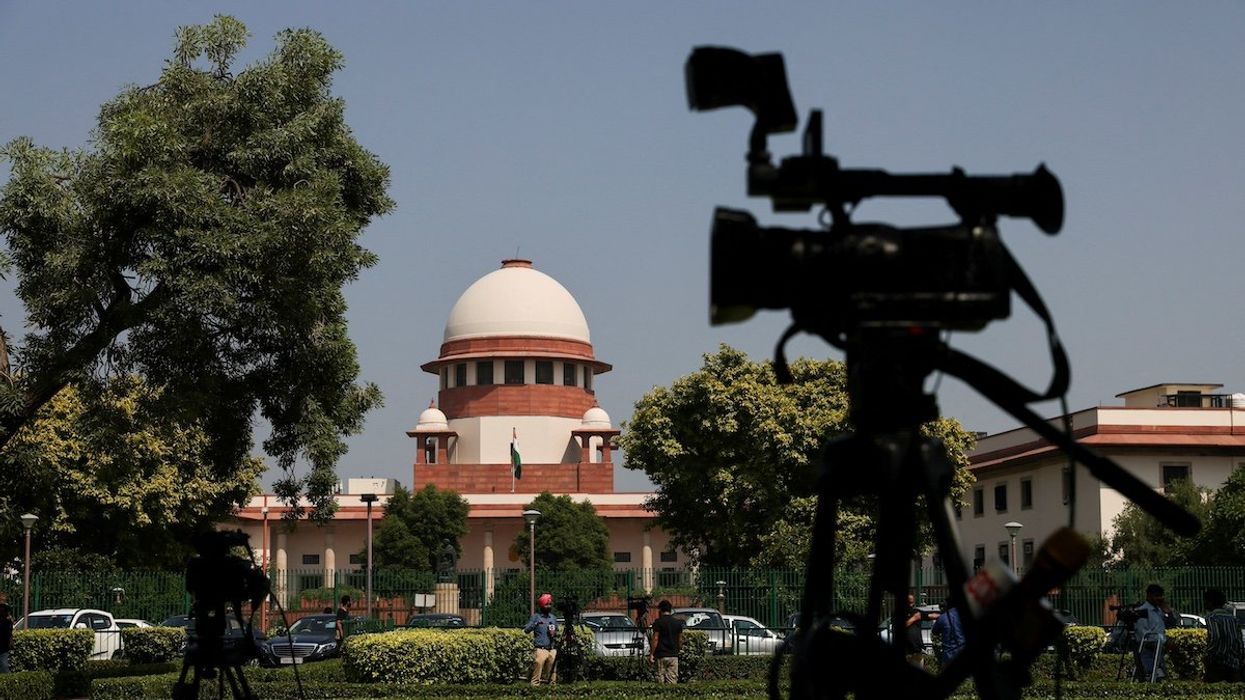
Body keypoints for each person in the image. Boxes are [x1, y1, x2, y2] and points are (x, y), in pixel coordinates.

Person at [1134, 583, 1179, 681]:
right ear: (1149, 596)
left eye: (1161, 596)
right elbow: (1143, 637)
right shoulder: (1142, 611)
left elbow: (1172, 625)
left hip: (1159, 651)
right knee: (1151, 677)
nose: (1159, 598)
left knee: (1161, 677)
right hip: (1148, 652)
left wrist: (1169, 613)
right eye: (1156, 596)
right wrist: (1163, 642)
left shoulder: (1159, 611)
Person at [1203, 588, 1243, 682]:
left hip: (1217, 663)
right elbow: (1239, 641)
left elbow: (1215, 638)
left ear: (1210, 602)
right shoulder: (1232, 619)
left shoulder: (1212, 617)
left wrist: (1207, 653)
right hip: (1233, 664)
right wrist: (1239, 658)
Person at [523, 593, 558, 686]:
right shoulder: (536, 617)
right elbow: (526, 630)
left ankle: (552, 688)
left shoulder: (553, 618)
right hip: (541, 649)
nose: (548, 606)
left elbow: (557, 632)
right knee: (538, 667)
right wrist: (535, 624)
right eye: (546, 604)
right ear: (542, 605)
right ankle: (535, 687)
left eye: (550, 604)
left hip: (552, 648)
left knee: (552, 671)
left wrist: (554, 633)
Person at [648, 599, 684, 684]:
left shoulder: (658, 622)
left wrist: (652, 654)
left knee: (660, 680)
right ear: (670, 610)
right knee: (672, 681)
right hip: (673, 655)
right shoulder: (677, 623)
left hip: (661, 655)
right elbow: (680, 639)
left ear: (660, 610)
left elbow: (655, 638)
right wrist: (678, 650)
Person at [897, 592, 936, 669]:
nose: (910, 605)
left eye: (911, 602)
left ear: (914, 602)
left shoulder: (916, 612)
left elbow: (931, 616)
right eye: (908, 602)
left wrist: (943, 615)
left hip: (916, 649)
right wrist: (914, 618)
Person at [0, 602, 12, 674]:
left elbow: (9, 633)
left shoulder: (7, 621)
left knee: (4, 665)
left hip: (3, 647)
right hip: (4, 647)